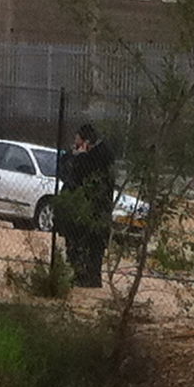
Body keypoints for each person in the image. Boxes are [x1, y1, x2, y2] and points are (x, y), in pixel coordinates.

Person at [58, 123, 115, 289]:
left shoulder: (96, 158)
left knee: (90, 246)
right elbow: (64, 171)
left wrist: (80, 157)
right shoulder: (84, 155)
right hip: (85, 211)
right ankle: (84, 276)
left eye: (77, 139)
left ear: (86, 142)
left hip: (92, 210)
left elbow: (79, 176)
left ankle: (87, 277)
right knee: (84, 245)